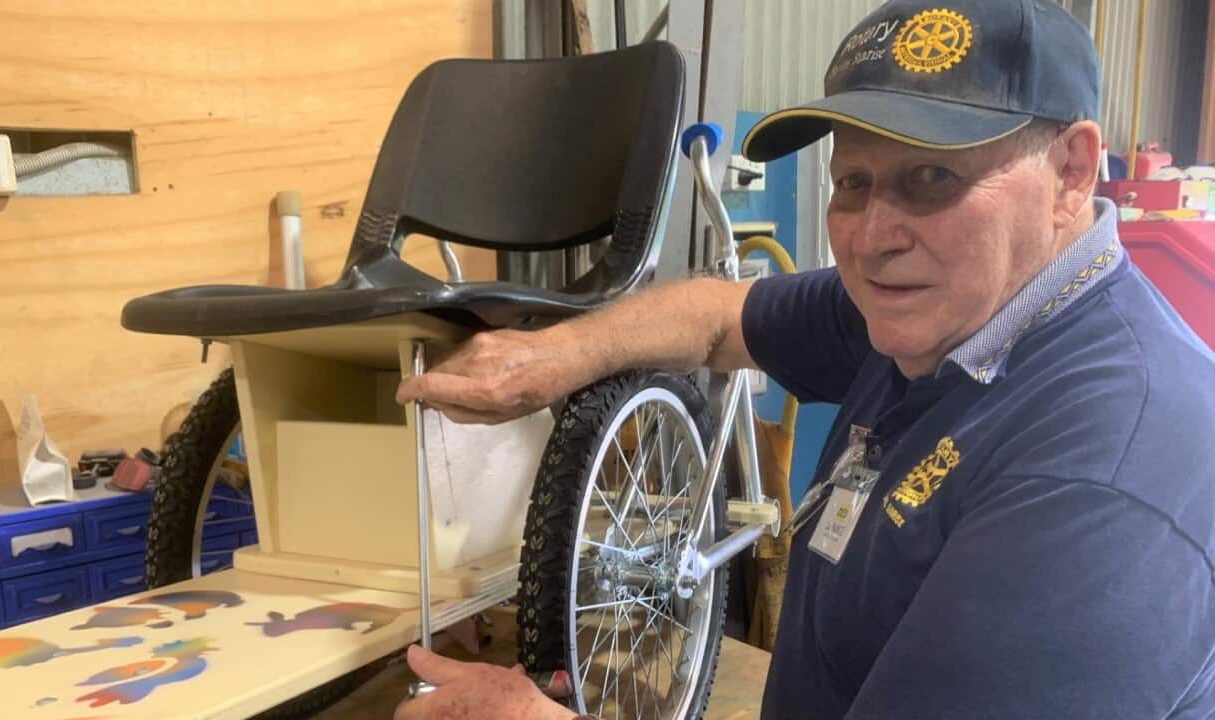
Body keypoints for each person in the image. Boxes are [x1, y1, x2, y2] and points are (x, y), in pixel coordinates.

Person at [392, 0, 1215, 717]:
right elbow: (718, 318)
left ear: (1071, 172)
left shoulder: (1105, 479)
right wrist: (549, 356)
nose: (872, 237)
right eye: (852, 182)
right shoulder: (941, 307)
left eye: (933, 178)